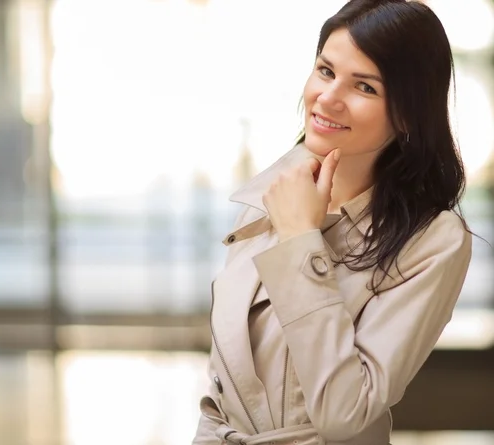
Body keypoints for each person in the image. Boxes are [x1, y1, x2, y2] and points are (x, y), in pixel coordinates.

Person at [192, 1, 474, 444]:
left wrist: (300, 238)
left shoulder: (434, 241)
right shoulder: (273, 192)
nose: (328, 98)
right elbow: (223, 389)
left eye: (363, 86)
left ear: (407, 114)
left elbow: (345, 411)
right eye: (325, 71)